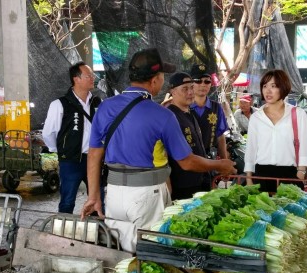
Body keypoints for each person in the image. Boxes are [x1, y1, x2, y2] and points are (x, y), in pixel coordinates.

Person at [80, 48, 236, 253]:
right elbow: (186, 162)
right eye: (162, 76)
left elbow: (93, 155)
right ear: (154, 81)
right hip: (147, 195)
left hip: (114, 194)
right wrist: (220, 164)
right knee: (149, 253)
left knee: (119, 251)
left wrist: (93, 197)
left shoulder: (106, 107)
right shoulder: (162, 115)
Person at [244, 69, 307, 193]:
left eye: (273, 86)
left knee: (289, 212)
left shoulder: (298, 114)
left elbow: (304, 146)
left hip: (289, 174)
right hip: (261, 174)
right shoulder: (256, 117)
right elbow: (251, 148)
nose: (268, 91)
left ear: (283, 88)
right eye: (265, 86)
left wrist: (300, 173)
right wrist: (248, 178)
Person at [42, 61, 96, 214]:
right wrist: (60, 151)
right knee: (67, 201)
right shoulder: (59, 104)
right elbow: (48, 133)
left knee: (99, 199)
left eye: (92, 75)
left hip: (94, 159)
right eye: (88, 76)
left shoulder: (98, 103)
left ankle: (97, 233)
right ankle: (63, 236)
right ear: (76, 79)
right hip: (70, 161)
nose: (93, 78)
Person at [166, 72, 208, 200]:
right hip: (182, 185)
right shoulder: (170, 116)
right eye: (185, 89)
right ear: (172, 91)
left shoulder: (190, 113)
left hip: (199, 180)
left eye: (191, 87)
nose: (190, 92)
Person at [189, 64, 229, 160]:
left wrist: (224, 160)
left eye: (207, 81)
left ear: (211, 84)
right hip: (189, 160)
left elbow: (220, 136)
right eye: (198, 81)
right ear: (191, 84)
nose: (203, 84)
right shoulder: (183, 107)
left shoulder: (216, 108)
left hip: (211, 159)